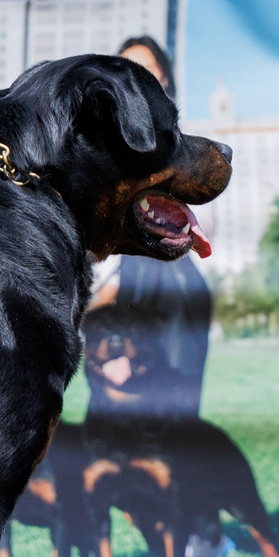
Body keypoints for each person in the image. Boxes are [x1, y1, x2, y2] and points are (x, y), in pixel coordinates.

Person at [80, 37, 213, 427]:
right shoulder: (92, 149)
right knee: (110, 414)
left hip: (169, 287)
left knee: (174, 421)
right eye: (124, 75)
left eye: (147, 75)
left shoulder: (186, 154)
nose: (134, 86)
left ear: (166, 84)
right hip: (118, 283)